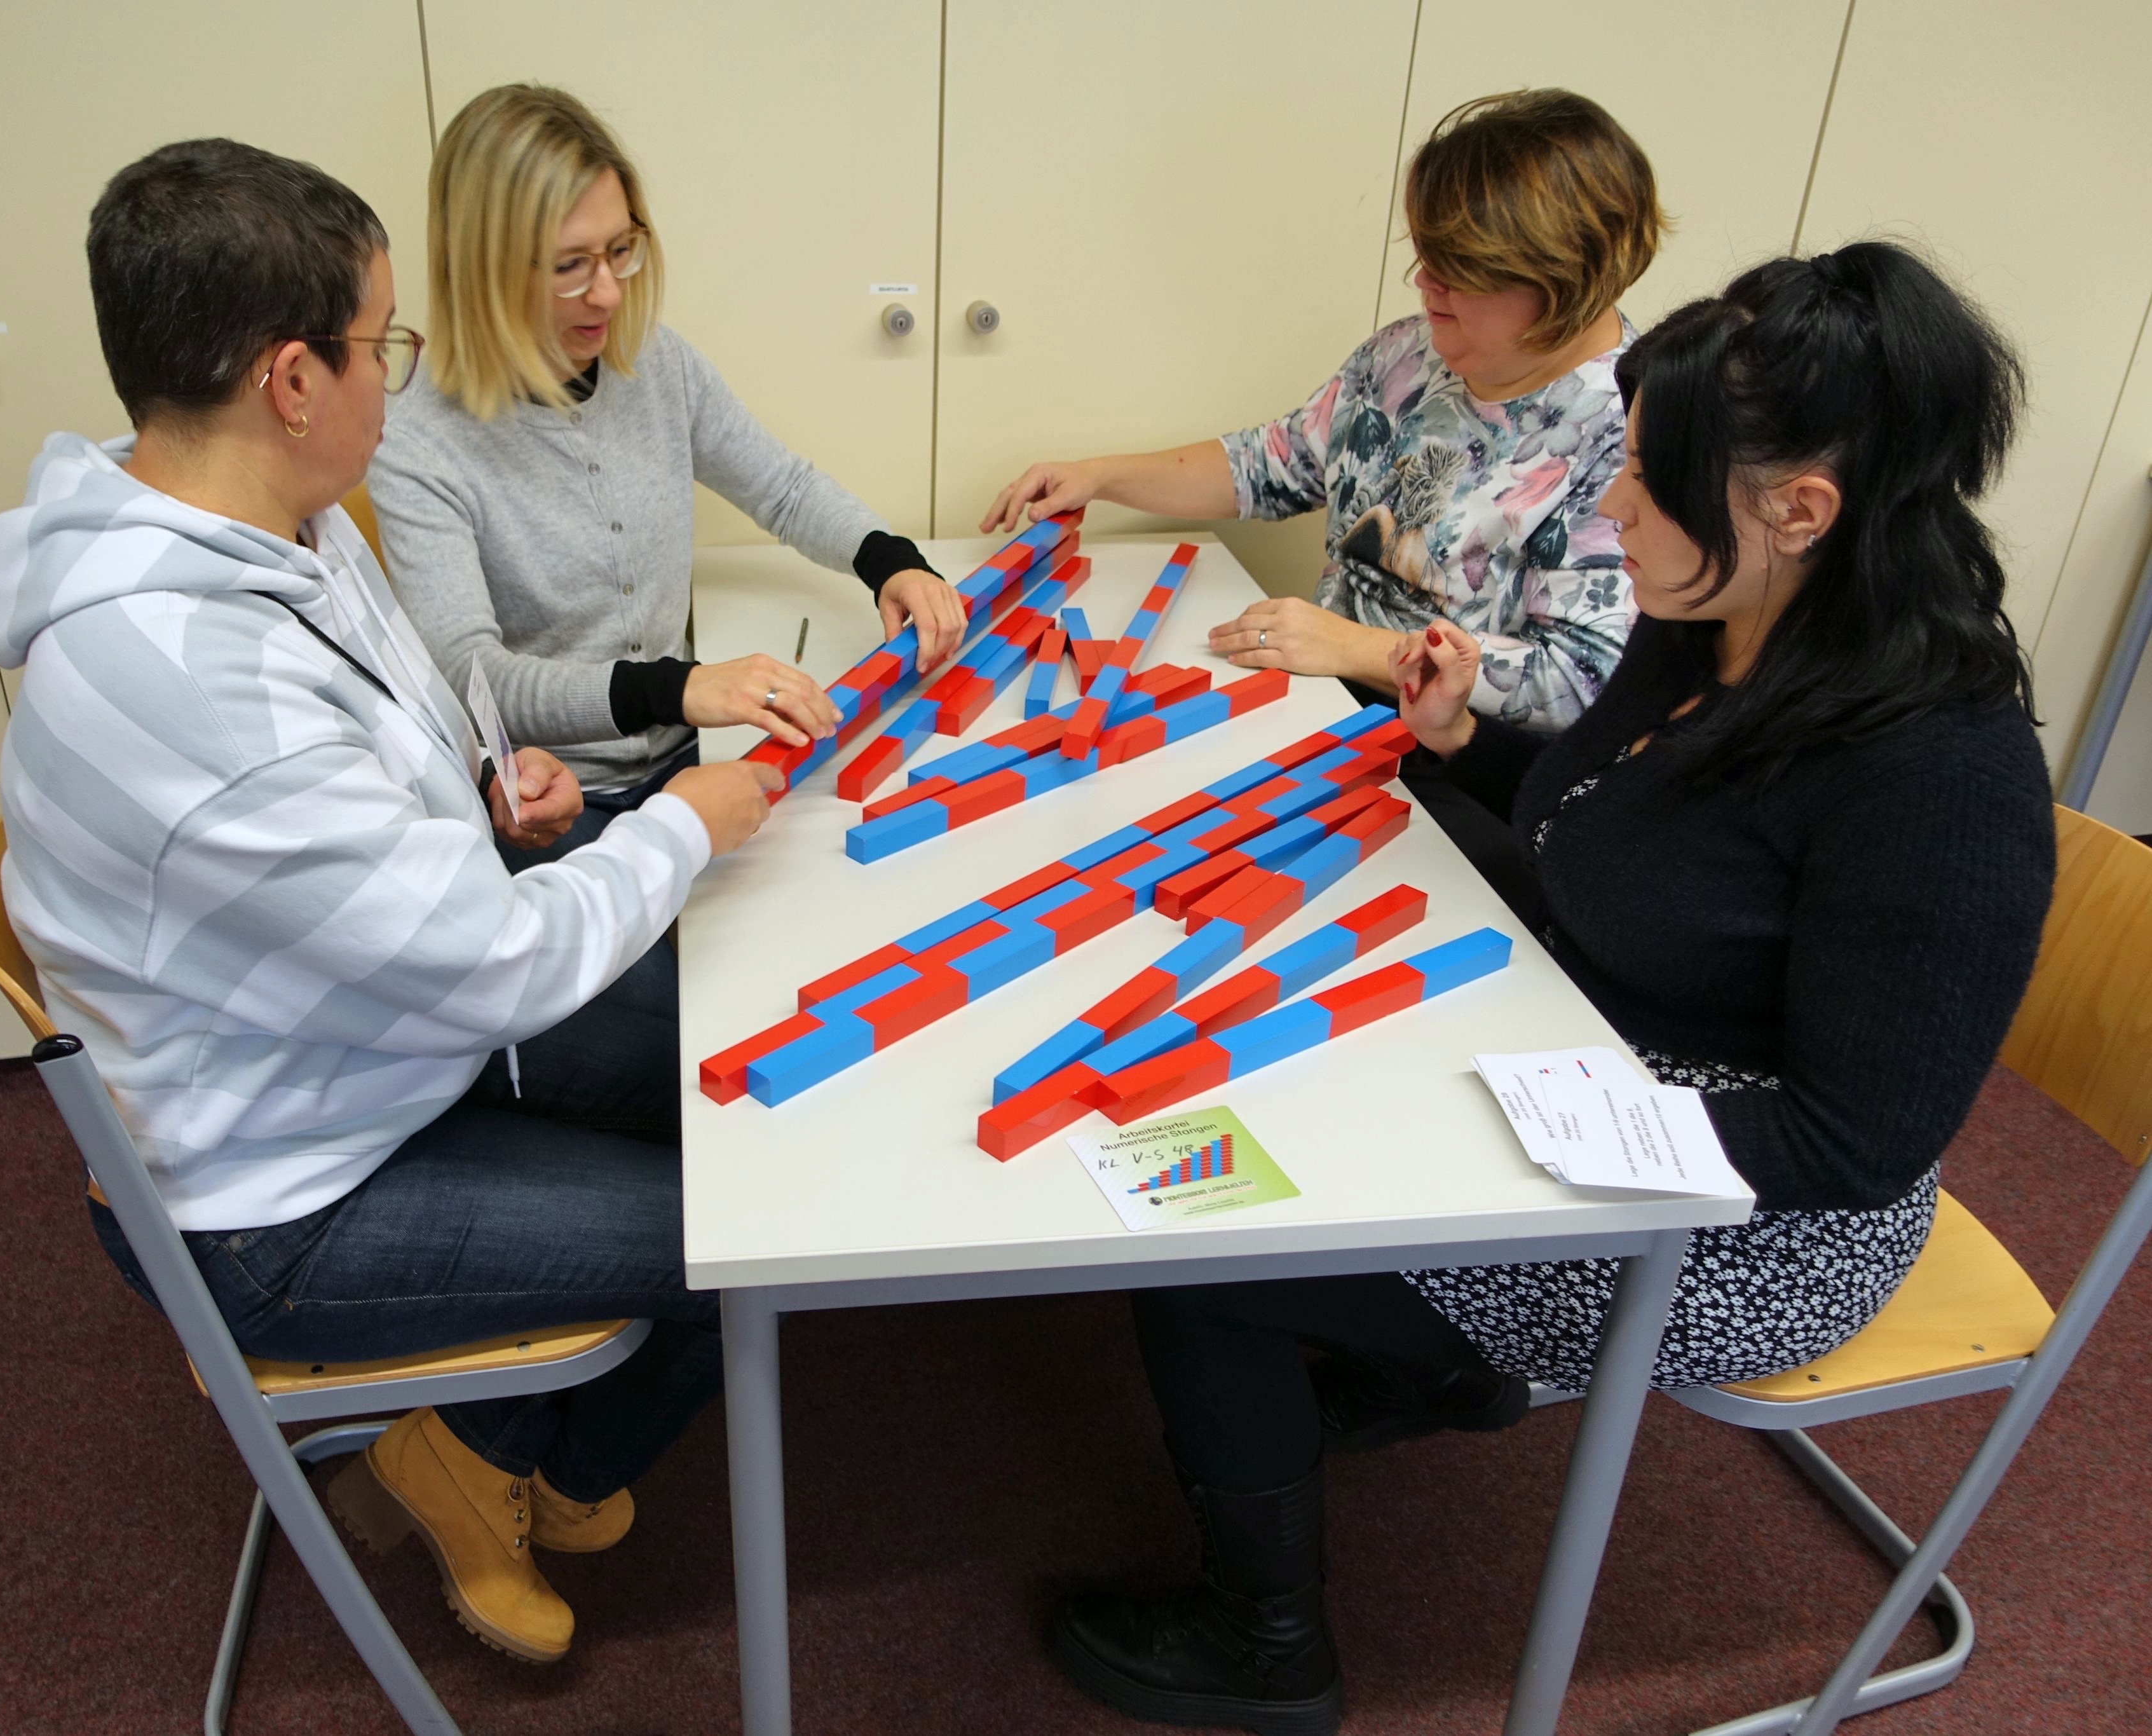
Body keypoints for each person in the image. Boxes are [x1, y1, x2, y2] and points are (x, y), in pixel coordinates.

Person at [1047, 242, 2057, 1734]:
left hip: (1752, 1213)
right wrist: (1464, 740)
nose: (1607, 509)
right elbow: (1616, 812)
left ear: (1801, 508)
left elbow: (1853, 1144)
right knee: (1273, 1052)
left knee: (1197, 1238)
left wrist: (1521, 1134)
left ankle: (1266, 1641)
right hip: (1588, 1043)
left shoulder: (1940, 776)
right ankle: (1431, 1370)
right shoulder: (1716, 608)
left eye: (1645, 482)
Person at [0, 137, 784, 1668]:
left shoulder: (272, 521)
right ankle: (497, 1458)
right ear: (290, 377)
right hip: (281, 1197)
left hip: (360, 1038)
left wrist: (480, 784)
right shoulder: (199, 689)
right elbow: (494, 966)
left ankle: (490, 1448)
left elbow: (377, 742)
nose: (396, 378)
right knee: (747, 1234)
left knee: (730, 1083)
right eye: (382, 344)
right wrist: (681, 819)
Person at [982, 89, 1663, 924]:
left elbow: (1581, 680)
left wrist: (1361, 648)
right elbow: (1275, 464)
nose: (1427, 285)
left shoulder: (1629, 427)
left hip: (1474, 773)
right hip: (1325, 703)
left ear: (1564, 280)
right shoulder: (1410, 355)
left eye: (1466, 274)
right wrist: (1101, 474)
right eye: (1426, 256)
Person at [367, 82, 965, 870]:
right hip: (560, 810)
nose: (610, 291)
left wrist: (889, 560)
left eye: (620, 249)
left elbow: (781, 487)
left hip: (686, 769)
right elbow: (475, 674)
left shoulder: (656, 363)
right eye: (570, 266)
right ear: (481, 268)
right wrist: (677, 689)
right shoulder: (414, 437)